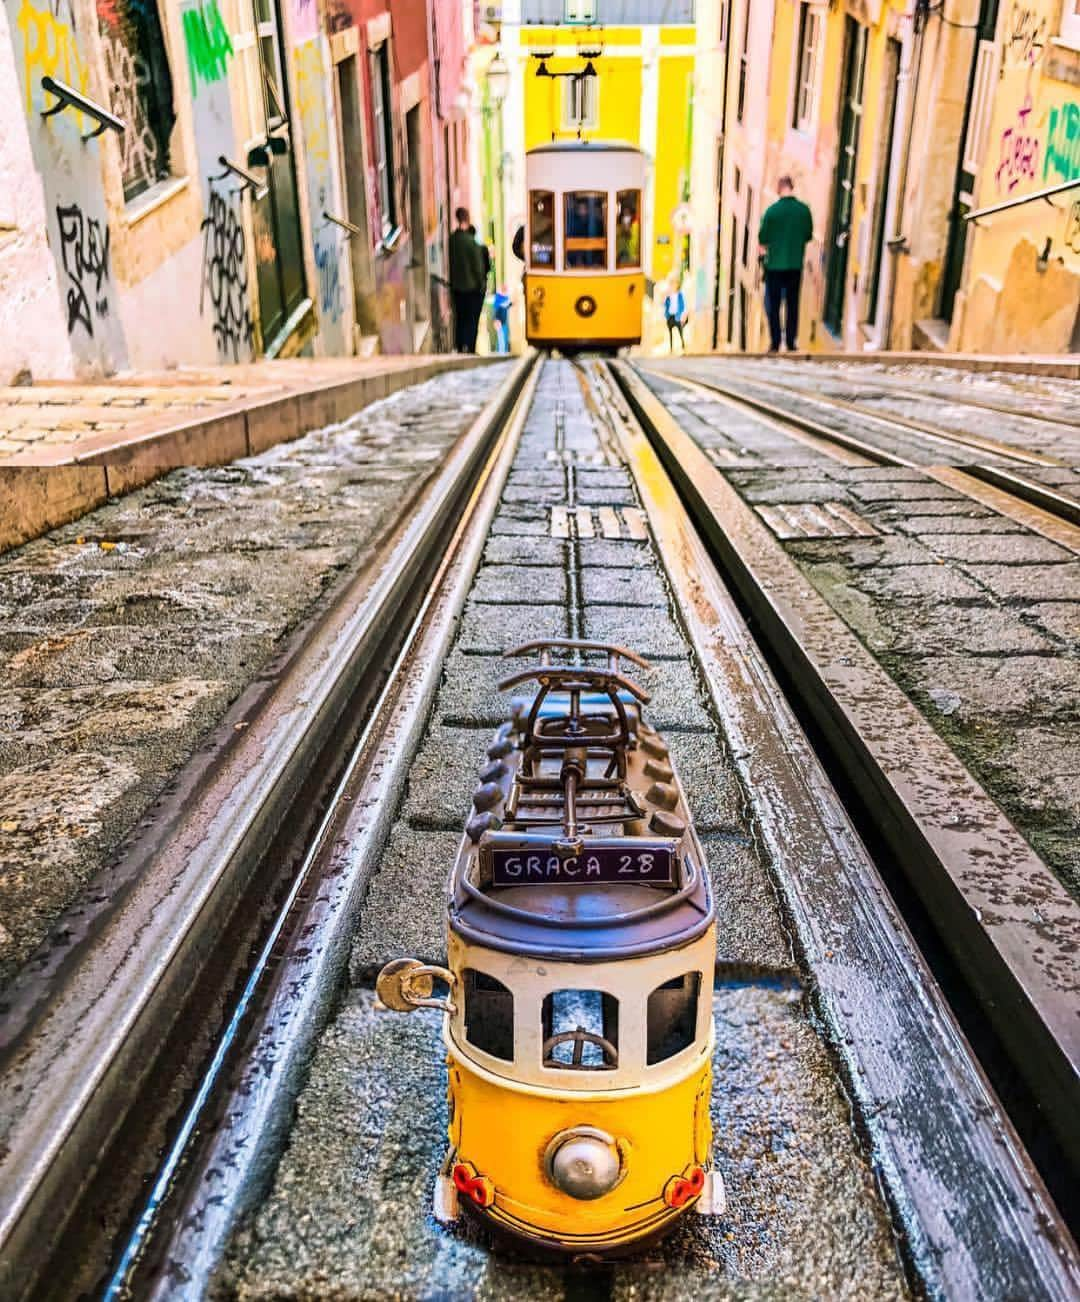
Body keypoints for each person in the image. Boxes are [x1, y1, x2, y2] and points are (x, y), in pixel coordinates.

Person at [757, 174, 813, 353]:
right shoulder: (803, 210)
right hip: (795, 264)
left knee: (774, 306)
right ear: (792, 187)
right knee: (792, 304)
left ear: (779, 188)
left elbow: (762, 238)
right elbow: (808, 235)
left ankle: (774, 342)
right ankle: (790, 341)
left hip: (774, 265)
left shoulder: (772, 211)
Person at [449, 207, 487, 352]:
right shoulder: (472, 242)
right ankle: (470, 347)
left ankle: (459, 347)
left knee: (460, 318)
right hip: (472, 289)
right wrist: (481, 284)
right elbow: (478, 268)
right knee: (471, 320)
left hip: (456, 287)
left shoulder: (452, 240)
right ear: (467, 218)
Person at [663, 274, 687, 352]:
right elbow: (665, 305)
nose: (673, 285)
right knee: (670, 334)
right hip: (670, 316)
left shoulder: (679, 295)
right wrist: (666, 315)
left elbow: (682, 305)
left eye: (674, 283)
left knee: (680, 332)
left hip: (677, 316)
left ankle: (683, 345)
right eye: (671, 283)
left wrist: (681, 315)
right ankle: (671, 348)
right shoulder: (668, 295)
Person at [492, 285, 511, 353]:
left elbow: (508, 305)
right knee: (500, 336)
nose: (506, 290)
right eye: (505, 288)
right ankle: (501, 351)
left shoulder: (505, 298)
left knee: (503, 336)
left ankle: (502, 351)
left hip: (503, 320)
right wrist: (495, 319)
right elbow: (495, 309)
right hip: (498, 320)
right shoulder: (499, 297)